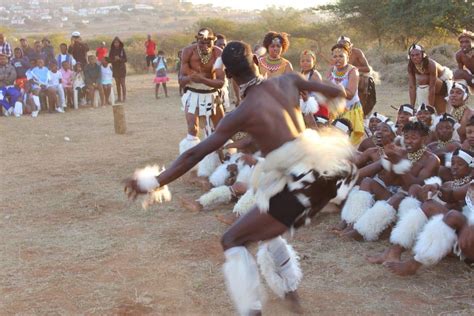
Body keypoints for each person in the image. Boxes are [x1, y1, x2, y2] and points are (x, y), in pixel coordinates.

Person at [124, 41, 357, 315]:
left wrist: (153, 182)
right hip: (325, 172)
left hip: (299, 184)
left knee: (232, 240)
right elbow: (339, 92)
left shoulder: (241, 114)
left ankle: (251, 311)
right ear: (256, 63)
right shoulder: (289, 79)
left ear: (230, 77)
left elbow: (193, 155)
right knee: (266, 225)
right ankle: (290, 293)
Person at [178, 28, 225, 150]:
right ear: (197, 41)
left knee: (220, 129)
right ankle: (192, 162)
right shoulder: (188, 52)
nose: (205, 46)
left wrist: (202, 80)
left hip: (212, 94)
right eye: (201, 43)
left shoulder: (218, 53)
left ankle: (220, 158)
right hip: (193, 93)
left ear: (213, 41)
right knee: (192, 128)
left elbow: (220, 82)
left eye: (208, 42)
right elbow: (181, 80)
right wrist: (190, 78)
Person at [327, 42, 365, 145]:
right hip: (334, 112)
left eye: (341, 56)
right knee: (334, 144)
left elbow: (350, 94)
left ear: (347, 57)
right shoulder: (331, 70)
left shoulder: (353, 71)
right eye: (335, 56)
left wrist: (333, 89)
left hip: (351, 112)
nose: (337, 59)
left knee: (348, 144)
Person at [408, 44, 453, 114]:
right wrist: (411, 107)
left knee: (424, 79)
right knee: (440, 116)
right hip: (432, 88)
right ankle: (423, 108)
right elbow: (412, 87)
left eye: (417, 54)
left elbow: (432, 87)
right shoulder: (411, 66)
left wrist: (430, 108)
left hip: (443, 85)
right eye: (412, 55)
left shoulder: (430, 64)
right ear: (409, 56)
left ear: (423, 54)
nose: (415, 57)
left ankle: (426, 108)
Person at [337, 36, 376, 117]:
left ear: (350, 45)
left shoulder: (357, 52)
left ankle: (362, 109)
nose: (343, 47)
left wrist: (352, 69)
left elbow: (367, 69)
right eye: (341, 45)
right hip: (344, 76)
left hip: (360, 74)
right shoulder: (337, 54)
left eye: (345, 44)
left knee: (362, 82)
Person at [299, 49, 328, 128]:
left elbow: (321, 92)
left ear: (313, 62)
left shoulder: (315, 75)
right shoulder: (301, 74)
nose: (305, 63)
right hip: (305, 104)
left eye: (308, 61)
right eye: (303, 61)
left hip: (317, 107)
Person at [109, 37, 127, 103]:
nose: (116, 44)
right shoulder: (112, 50)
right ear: (113, 43)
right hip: (115, 68)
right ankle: (119, 97)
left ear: (119, 43)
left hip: (122, 68)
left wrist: (119, 59)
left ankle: (124, 97)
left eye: (117, 42)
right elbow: (109, 60)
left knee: (122, 83)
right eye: (115, 42)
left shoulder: (122, 50)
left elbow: (126, 59)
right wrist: (114, 60)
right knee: (117, 84)